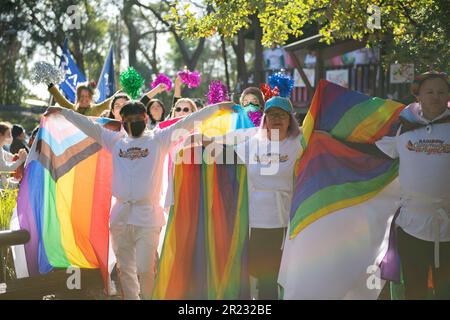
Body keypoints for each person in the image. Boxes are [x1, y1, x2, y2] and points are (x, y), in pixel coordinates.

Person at [44, 99, 234, 300]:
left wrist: (217, 108)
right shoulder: (115, 141)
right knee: (125, 270)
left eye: (137, 118)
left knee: (145, 269)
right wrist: (63, 111)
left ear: (145, 118)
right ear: (122, 121)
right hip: (120, 217)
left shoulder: (159, 139)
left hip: (147, 216)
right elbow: (88, 126)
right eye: (128, 120)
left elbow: (189, 121)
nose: (133, 122)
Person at [208, 96, 302, 299]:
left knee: (281, 275)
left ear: (290, 119)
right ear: (265, 119)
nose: (277, 119)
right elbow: (222, 152)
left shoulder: (299, 144)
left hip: (286, 220)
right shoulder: (253, 144)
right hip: (257, 220)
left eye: (282, 115)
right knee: (262, 274)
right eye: (272, 115)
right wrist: (202, 142)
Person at [375, 71, 450, 299]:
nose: (435, 96)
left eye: (441, 92)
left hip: (448, 227)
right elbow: (370, 148)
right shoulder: (401, 127)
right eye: (429, 91)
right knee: (414, 290)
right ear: (418, 95)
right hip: (411, 226)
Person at [47, 81, 118, 116]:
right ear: (78, 97)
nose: (84, 99)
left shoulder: (97, 109)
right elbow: (61, 99)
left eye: (87, 96)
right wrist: (50, 85)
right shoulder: (72, 109)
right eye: (82, 96)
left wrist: (125, 88)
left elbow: (111, 100)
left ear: (90, 98)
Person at [0, 122, 27, 189]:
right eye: (8, 134)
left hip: (3, 182)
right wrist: (20, 160)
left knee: (20, 183)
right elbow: (5, 168)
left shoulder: (1, 148)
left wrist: (18, 156)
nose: (10, 137)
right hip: (2, 184)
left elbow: (9, 156)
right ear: (0, 135)